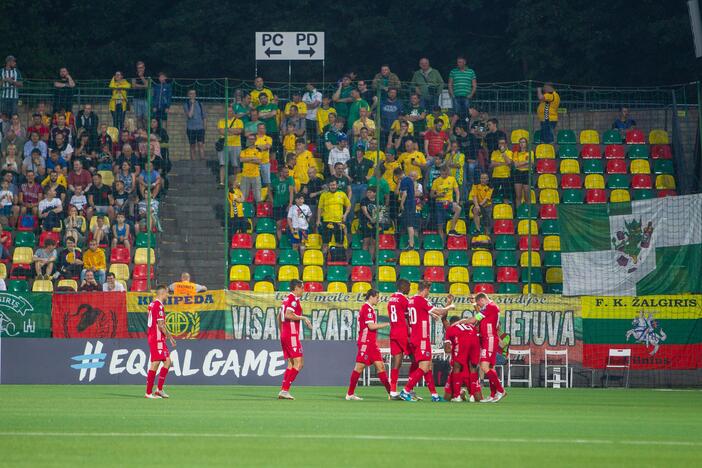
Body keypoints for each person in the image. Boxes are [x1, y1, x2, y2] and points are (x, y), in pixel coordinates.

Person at [399, 282, 455, 402]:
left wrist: (429, 313)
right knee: (424, 367)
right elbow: (441, 312)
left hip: (415, 336)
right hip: (421, 338)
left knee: (428, 366)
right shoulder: (422, 300)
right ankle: (405, 391)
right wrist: (449, 306)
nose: (428, 293)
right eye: (428, 290)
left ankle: (434, 395)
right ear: (425, 289)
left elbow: (415, 313)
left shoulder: (411, 300)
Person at [345, 289, 392, 400]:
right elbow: (371, 326)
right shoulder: (367, 309)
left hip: (371, 344)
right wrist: (387, 324)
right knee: (359, 368)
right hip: (366, 343)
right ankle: (350, 394)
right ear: (371, 297)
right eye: (377, 297)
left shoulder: (369, 309)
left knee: (380, 367)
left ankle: (391, 393)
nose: (378, 299)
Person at [463, 293, 506, 403]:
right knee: (490, 367)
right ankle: (492, 394)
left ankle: (501, 390)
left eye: (479, 304)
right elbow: (479, 315)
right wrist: (474, 304)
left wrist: (462, 321)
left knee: (484, 366)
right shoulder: (490, 307)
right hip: (488, 339)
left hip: (490, 339)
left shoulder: (490, 306)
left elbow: (475, 318)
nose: (480, 306)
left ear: (482, 300)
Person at [278, 279, 311, 400]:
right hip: (291, 335)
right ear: (296, 288)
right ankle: (285, 390)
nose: (303, 290)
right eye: (302, 288)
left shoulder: (286, 299)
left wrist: (281, 331)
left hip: (286, 334)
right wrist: (303, 318)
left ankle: (283, 390)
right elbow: (287, 314)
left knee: (291, 363)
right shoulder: (293, 300)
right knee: (299, 363)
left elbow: (279, 316)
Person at [145, 285, 177, 399]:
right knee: (155, 363)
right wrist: (171, 337)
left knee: (168, 362)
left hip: (159, 338)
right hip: (156, 338)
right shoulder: (158, 306)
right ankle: (148, 393)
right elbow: (161, 325)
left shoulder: (153, 304)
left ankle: (159, 389)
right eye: (167, 293)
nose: (168, 295)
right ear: (162, 293)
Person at [442, 315, 481, 402]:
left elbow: (447, 350)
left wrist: (453, 346)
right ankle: (471, 396)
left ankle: (457, 395)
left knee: (446, 398)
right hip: (470, 372)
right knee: (478, 398)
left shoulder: (451, 329)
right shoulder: (470, 326)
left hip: (457, 372)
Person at [317, 179, 350, 255]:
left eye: (334, 185)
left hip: (338, 222)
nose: (333, 186)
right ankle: (324, 259)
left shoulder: (342, 194)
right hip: (326, 222)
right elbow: (319, 208)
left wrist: (345, 215)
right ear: (328, 186)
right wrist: (318, 220)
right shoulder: (324, 195)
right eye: (331, 185)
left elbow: (348, 205)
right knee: (325, 242)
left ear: (337, 186)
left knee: (339, 242)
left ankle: (339, 256)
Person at [431, 165, 462, 241]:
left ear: (448, 172)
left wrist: (457, 201)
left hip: (449, 202)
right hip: (439, 203)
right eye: (443, 173)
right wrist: (438, 195)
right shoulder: (436, 181)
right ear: (440, 172)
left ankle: (452, 229)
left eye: (446, 173)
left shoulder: (452, 179)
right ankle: (442, 244)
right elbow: (431, 195)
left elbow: (457, 191)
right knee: (440, 226)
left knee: (458, 209)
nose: (445, 175)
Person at [217, 105, 244, 186]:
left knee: (236, 165)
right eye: (228, 111)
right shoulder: (221, 121)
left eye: (231, 111)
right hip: (224, 145)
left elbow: (239, 131)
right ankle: (221, 182)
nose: (229, 113)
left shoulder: (239, 121)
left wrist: (227, 129)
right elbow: (221, 132)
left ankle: (236, 182)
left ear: (233, 112)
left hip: (236, 145)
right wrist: (233, 131)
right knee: (222, 164)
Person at [448, 56, 477, 120]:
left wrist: (471, 95)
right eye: (458, 62)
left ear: (465, 62)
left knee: (467, 113)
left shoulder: (471, 72)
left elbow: (474, 85)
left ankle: (466, 128)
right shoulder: (453, 71)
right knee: (456, 113)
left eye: (460, 62)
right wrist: (452, 95)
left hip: (467, 96)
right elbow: (450, 84)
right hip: (456, 96)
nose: (458, 64)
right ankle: (457, 128)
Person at [271, 166, 295, 240]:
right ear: (281, 173)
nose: (287, 173)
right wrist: (272, 200)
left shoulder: (290, 179)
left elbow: (291, 192)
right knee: (278, 225)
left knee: (290, 224)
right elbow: (270, 191)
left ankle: (290, 240)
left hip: (286, 204)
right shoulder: (275, 181)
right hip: (277, 205)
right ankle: (281, 241)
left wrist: (290, 204)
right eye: (285, 172)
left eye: (288, 172)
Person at [395, 166, 416, 250]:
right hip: (412, 203)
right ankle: (411, 242)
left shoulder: (403, 181)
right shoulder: (410, 179)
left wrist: (402, 204)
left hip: (408, 204)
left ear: (397, 175)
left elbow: (405, 194)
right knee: (409, 224)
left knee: (409, 225)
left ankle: (411, 244)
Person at [183, 89, 206, 160]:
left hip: (200, 128)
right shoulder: (186, 104)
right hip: (191, 128)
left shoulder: (200, 104)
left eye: (194, 94)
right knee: (192, 146)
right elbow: (189, 115)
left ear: (195, 95)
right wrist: (192, 104)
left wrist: (204, 127)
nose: (192, 95)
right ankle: (193, 162)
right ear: (188, 95)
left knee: (201, 144)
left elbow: (204, 116)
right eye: (191, 94)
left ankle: (202, 160)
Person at [239, 134, 262, 203]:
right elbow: (241, 160)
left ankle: (259, 213)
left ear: (255, 140)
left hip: (255, 176)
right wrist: (253, 158)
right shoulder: (244, 150)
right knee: (243, 197)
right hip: (245, 175)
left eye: (252, 139)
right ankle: (242, 212)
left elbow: (259, 161)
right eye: (249, 139)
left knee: (258, 197)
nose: (250, 140)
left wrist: (247, 159)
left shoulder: (258, 150)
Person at [287, 193, 311, 257]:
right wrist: (291, 229)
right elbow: (289, 218)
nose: (300, 200)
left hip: (304, 230)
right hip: (295, 230)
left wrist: (308, 220)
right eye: (298, 199)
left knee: (303, 245)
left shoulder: (307, 207)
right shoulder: (292, 208)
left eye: (302, 198)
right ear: (295, 200)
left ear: (303, 200)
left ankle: (302, 260)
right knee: (295, 245)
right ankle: (295, 259)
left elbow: (309, 215)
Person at [512, 137, 534, 207]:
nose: (522, 144)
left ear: (526, 143)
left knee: (527, 196)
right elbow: (516, 165)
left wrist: (520, 164)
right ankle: (519, 213)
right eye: (520, 142)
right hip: (518, 174)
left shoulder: (530, 152)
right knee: (518, 196)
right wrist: (526, 162)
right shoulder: (516, 153)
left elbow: (531, 164)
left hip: (526, 174)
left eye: (523, 142)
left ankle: (527, 213)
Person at [131, 61, 149, 129]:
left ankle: (147, 134)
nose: (140, 69)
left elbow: (147, 85)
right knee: (138, 118)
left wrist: (141, 76)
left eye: (141, 67)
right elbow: (133, 85)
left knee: (146, 118)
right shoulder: (134, 74)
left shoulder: (147, 75)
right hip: (136, 99)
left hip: (145, 99)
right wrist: (143, 86)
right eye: (138, 68)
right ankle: (140, 132)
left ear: (144, 68)